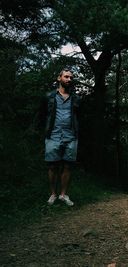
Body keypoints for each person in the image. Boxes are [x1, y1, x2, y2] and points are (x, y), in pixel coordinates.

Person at [40, 68, 80, 206]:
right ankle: (53, 194)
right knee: (52, 166)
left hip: (71, 136)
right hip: (53, 135)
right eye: (66, 77)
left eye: (71, 78)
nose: (69, 79)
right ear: (59, 78)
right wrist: (45, 131)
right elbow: (42, 115)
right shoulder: (49, 96)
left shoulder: (76, 98)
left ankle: (63, 195)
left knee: (68, 166)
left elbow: (79, 117)